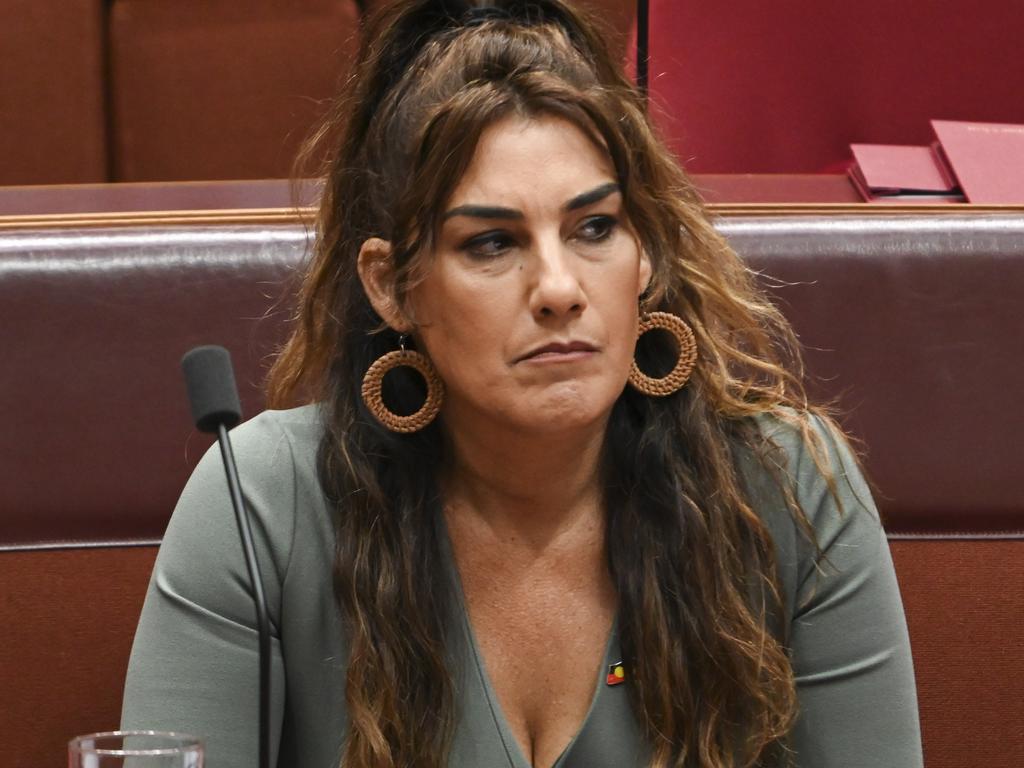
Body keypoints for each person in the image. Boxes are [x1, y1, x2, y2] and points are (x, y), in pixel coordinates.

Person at [121, 2, 923, 767]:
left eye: (595, 228)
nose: (559, 287)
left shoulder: (786, 490)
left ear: (646, 252)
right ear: (392, 285)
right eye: (493, 243)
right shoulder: (262, 503)